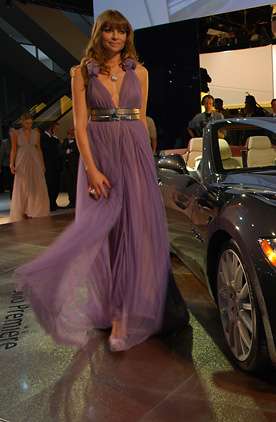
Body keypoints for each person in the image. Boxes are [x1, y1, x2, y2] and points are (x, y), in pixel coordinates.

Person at [14, 9, 186, 352]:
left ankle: (125, 313)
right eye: (108, 30)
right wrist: (91, 168)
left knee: (135, 232)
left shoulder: (142, 73)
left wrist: (144, 164)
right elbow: (79, 125)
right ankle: (101, 303)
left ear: (127, 36)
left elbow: (140, 120)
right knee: (103, 235)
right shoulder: (82, 73)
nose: (115, 36)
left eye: (121, 31)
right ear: (99, 33)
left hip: (135, 158)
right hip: (101, 157)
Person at [8, 113, 50, 222]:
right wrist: (11, 164)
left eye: (31, 123)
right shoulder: (16, 134)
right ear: (22, 122)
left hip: (34, 158)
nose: (29, 125)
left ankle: (34, 210)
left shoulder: (36, 133)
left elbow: (39, 149)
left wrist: (43, 164)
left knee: (36, 184)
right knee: (23, 184)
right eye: (27, 123)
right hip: (21, 158)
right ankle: (23, 210)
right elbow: (13, 149)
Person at [40, 121, 62, 211]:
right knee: (50, 185)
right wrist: (55, 137)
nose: (57, 130)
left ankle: (53, 202)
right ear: (51, 129)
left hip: (55, 165)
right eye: (56, 128)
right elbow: (50, 147)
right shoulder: (43, 137)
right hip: (49, 165)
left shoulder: (51, 139)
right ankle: (50, 203)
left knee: (55, 185)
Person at [60, 125, 80, 208]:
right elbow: (61, 151)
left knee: (76, 185)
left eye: (73, 130)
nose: (71, 132)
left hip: (75, 166)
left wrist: (71, 142)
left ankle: (78, 202)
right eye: (70, 130)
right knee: (69, 185)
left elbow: (76, 149)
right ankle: (71, 201)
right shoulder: (65, 140)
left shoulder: (78, 140)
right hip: (67, 166)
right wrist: (68, 151)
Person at [0, 126, 16, 197]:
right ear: (8, 133)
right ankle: (13, 199)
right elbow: (1, 155)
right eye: (11, 131)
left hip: (19, 165)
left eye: (14, 131)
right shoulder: (5, 142)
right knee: (11, 183)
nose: (12, 133)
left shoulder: (20, 141)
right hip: (7, 165)